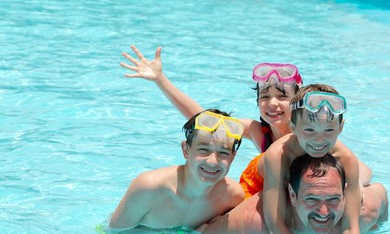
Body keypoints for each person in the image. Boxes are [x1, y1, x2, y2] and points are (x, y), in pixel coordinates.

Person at [120, 45, 372, 198]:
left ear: (298, 101)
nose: (272, 103)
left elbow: (363, 168)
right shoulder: (257, 130)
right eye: (265, 97)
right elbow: (203, 120)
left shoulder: (312, 133)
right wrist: (160, 80)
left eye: (282, 96)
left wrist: (355, 186)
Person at [261, 84, 372, 234]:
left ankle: (357, 181)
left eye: (328, 130)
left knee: (362, 179)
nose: (319, 140)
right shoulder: (277, 156)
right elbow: (275, 223)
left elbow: (351, 226)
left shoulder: (347, 159)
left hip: (316, 176)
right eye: (309, 130)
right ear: (292, 126)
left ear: (340, 128)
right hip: (262, 177)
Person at [200, 154, 388, 234]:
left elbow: (381, 193)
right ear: (292, 195)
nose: (324, 212)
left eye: (333, 199)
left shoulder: (364, 213)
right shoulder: (254, 225)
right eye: (312, 199)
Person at [109, 109, 245, 232]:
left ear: (233, 157)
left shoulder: (232, 196)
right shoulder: (149, 187)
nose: (212, 161)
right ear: (186, 150)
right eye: (203, 150)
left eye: (223, 153)